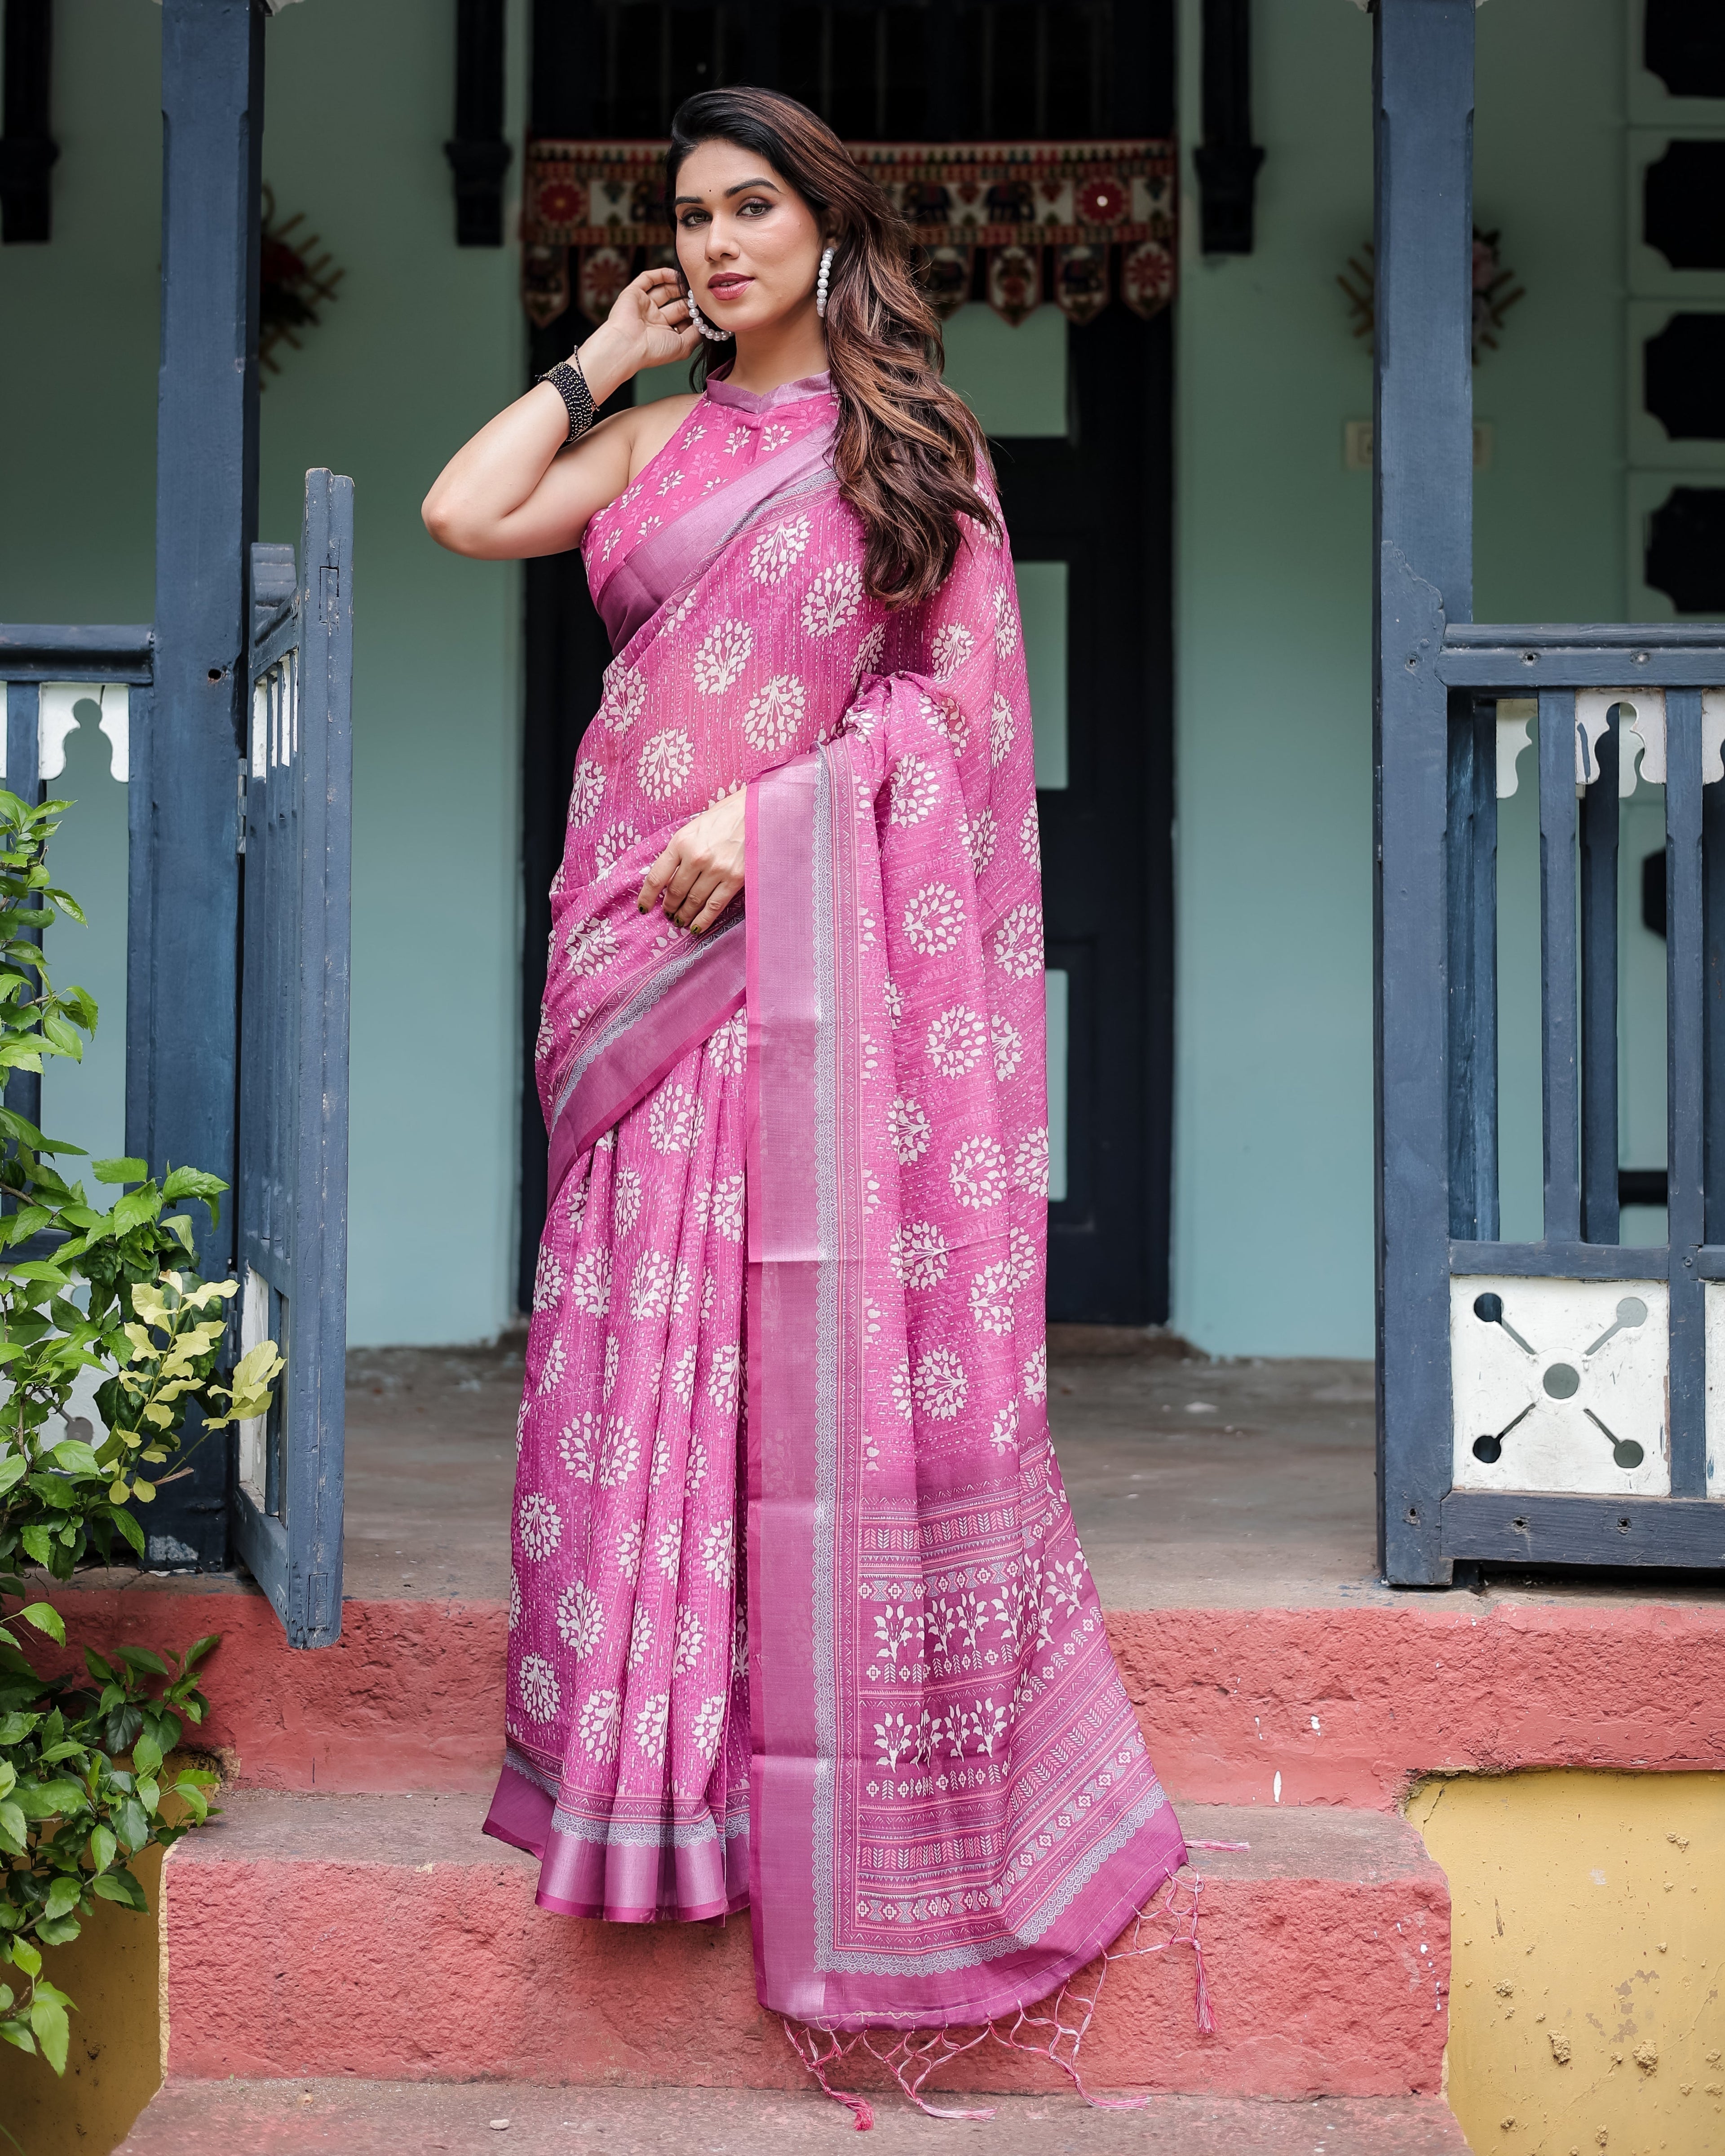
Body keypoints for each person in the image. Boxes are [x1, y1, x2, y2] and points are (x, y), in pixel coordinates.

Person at [424, 84, 1188, 2076]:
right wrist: (603, 351)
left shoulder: (911, 455)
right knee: (639, 1339)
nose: (725, 240)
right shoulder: (659, 436)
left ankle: (814, 1765)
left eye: (757, 207)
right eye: (695, 215)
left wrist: (784, 814)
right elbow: (465, 509)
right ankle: (652, 1771)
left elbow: (953, 713)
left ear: (830, 231)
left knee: (779, 1342)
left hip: (790, 949)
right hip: (628, 952)